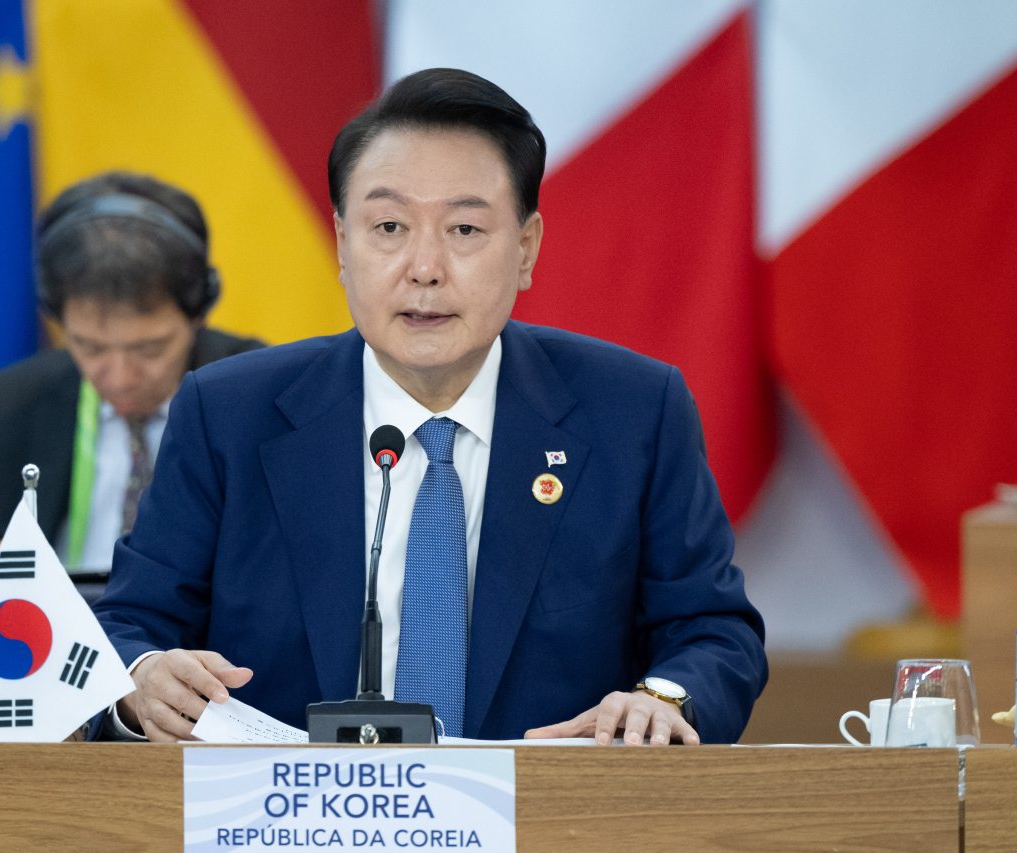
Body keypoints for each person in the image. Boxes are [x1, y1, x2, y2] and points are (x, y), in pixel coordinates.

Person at [93, 69, 767, 744]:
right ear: (341, 244)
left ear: (526, 248)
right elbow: (126, 627)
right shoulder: (229, 413)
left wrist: (662, 698)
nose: (424, 267)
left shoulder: (633, 412)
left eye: (465, 229)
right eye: (388, 225)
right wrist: (143, 678)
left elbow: (713, 632)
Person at [0, 171, 263, 569]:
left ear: (199, 311)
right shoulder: (14, 402)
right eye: (89, 347)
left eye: (149, 349)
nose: (119, 378)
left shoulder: (257, 396)